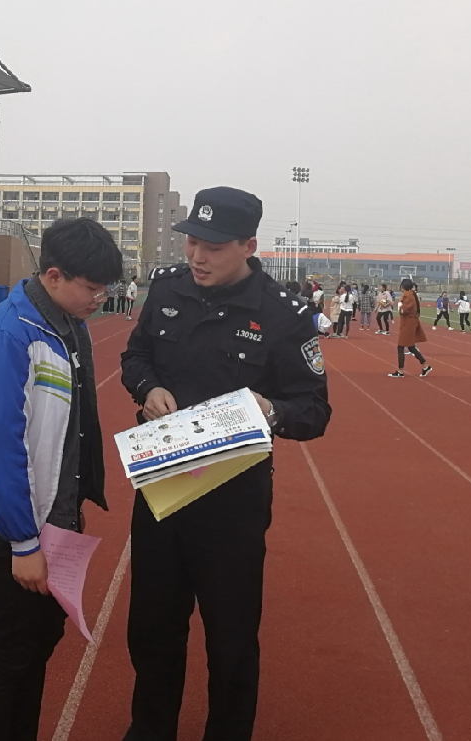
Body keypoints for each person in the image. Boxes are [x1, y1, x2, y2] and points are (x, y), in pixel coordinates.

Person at [120, 186, 331, 741]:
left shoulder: (284, 315)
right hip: (163, 487)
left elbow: (314, 410)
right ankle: (150, 729)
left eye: (212, 247)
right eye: (191, 241)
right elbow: (135, 355)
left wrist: (272, 410)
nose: (197, 256)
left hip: (232, 503)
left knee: (231, 638)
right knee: (152, 627)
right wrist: (147, 387)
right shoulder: (167, 289)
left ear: (248, 246)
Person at [0, 217, 122, 741]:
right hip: (17, 521)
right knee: (10, 650)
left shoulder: (67, 324)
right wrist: (23, 542)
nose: (99, 299)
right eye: (92, 288)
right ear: (54, 275)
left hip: (56, 510)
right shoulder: (8, 333)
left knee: (39, 641)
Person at [389, 278, 433, 378]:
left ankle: (400, 371)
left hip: (408, 324)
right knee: (411, 347)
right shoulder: (410, 295)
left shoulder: (409, 297)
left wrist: (400, 307)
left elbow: (404, 311)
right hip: (408, 323)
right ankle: (425, 365)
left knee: (401, 347)